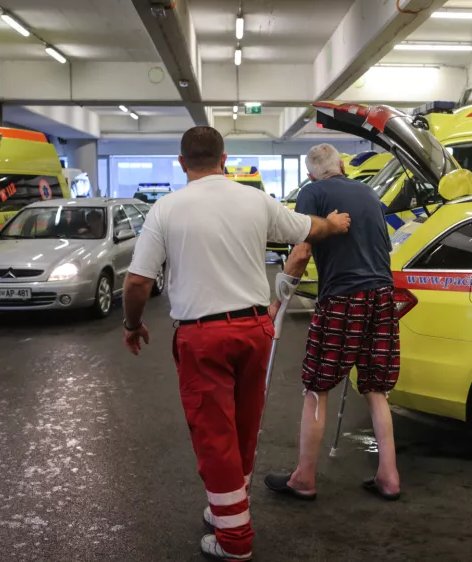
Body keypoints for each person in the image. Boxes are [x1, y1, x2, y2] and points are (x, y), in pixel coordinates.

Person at [120, 127, 351, 561]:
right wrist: (335, 224)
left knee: (215, 436)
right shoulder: (254, 200)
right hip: (254, 330)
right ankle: (229, 510)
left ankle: (235, 540)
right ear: (224, 159)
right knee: (243, 428)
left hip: (203, 337)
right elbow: (309, 227)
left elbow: (136, 282)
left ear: (182, 163)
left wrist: (132, 324)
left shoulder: (166, 208)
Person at [264, 143, 401, 502]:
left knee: (317, 386)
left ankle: (304, 478)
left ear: (310, 175)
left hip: (343, 297)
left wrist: (278, 301)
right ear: (342, 165)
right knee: (375, 387)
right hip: (383, 295)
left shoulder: (313, 192)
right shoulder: (370, 193)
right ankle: (389, 476)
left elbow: (301, 252)